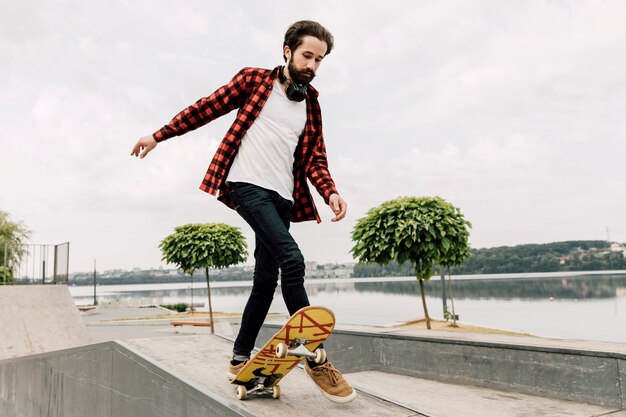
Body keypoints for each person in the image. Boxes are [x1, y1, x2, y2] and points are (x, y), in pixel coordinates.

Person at [130, 20, 356, 403]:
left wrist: (330, 192)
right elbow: (206, 108)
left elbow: (315, 158)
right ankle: (315, 358)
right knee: (292, 259)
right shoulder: (254, 82)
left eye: (319, 60)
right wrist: (159, 134)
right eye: (307, 56)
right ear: (287, 50)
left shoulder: (312, 104)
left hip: (283, 198)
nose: (313, 65)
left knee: (266, 278)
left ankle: (239, 357)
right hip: (246, 186)